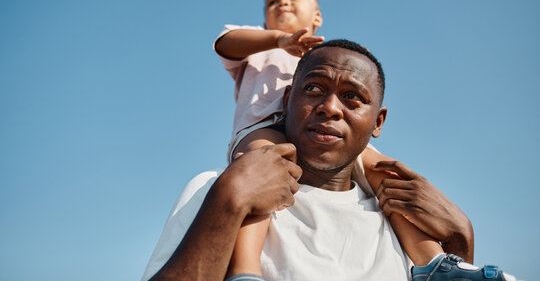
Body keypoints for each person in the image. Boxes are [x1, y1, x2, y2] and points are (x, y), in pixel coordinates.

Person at [141, 40, 511, 280]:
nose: (330, 108)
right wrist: (228, 200)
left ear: (378, 122)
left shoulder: (402, 222)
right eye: (314, 88)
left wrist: (461, 242)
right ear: (286, 102)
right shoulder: (215, 191)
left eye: (352, 97)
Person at [212, 0, 474, 279]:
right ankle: (245, 270)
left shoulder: (326, 57)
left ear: (317, 16)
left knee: (387, 174)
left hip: (326, 130)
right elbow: (225, 43)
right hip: (264, 127)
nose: (282, 3)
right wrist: (279, 39)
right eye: (273, 0)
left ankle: (433, 263)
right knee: (257, 175)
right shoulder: (259, 47)